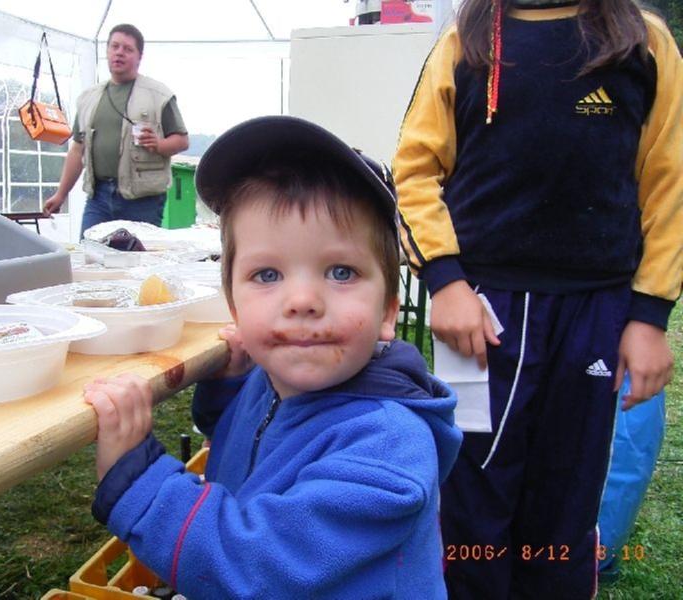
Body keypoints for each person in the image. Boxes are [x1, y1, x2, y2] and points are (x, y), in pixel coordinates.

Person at [83, 116, 463, 599]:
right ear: (234, 306)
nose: (302, 300)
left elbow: (254, 570)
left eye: (341, 272)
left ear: (387, 311)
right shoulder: (276, 382)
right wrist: (230, 391)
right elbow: (259, 444)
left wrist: (138, 480)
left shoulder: (387, 448)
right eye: (267, 275)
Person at [393, 0, 681, 597]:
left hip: (594, 312)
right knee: (472, 489)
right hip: (479, 313)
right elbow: (415, 169)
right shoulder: (466, 38)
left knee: (567, 495)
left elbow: (670, 182)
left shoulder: (641, 39)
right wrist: (444, 280)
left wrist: (650, 316)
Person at [42, 23, 189, 237]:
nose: (119, 53)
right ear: (107, 51)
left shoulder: (159, 95)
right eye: (115, 46)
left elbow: (182, 141)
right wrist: (60, 194)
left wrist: (159, 144)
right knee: (89, 252)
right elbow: (77, 150)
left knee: (136, 256)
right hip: (98, 198)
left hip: (143, 201)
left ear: (139, 57)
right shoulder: (88, 99)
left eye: (128, 49)